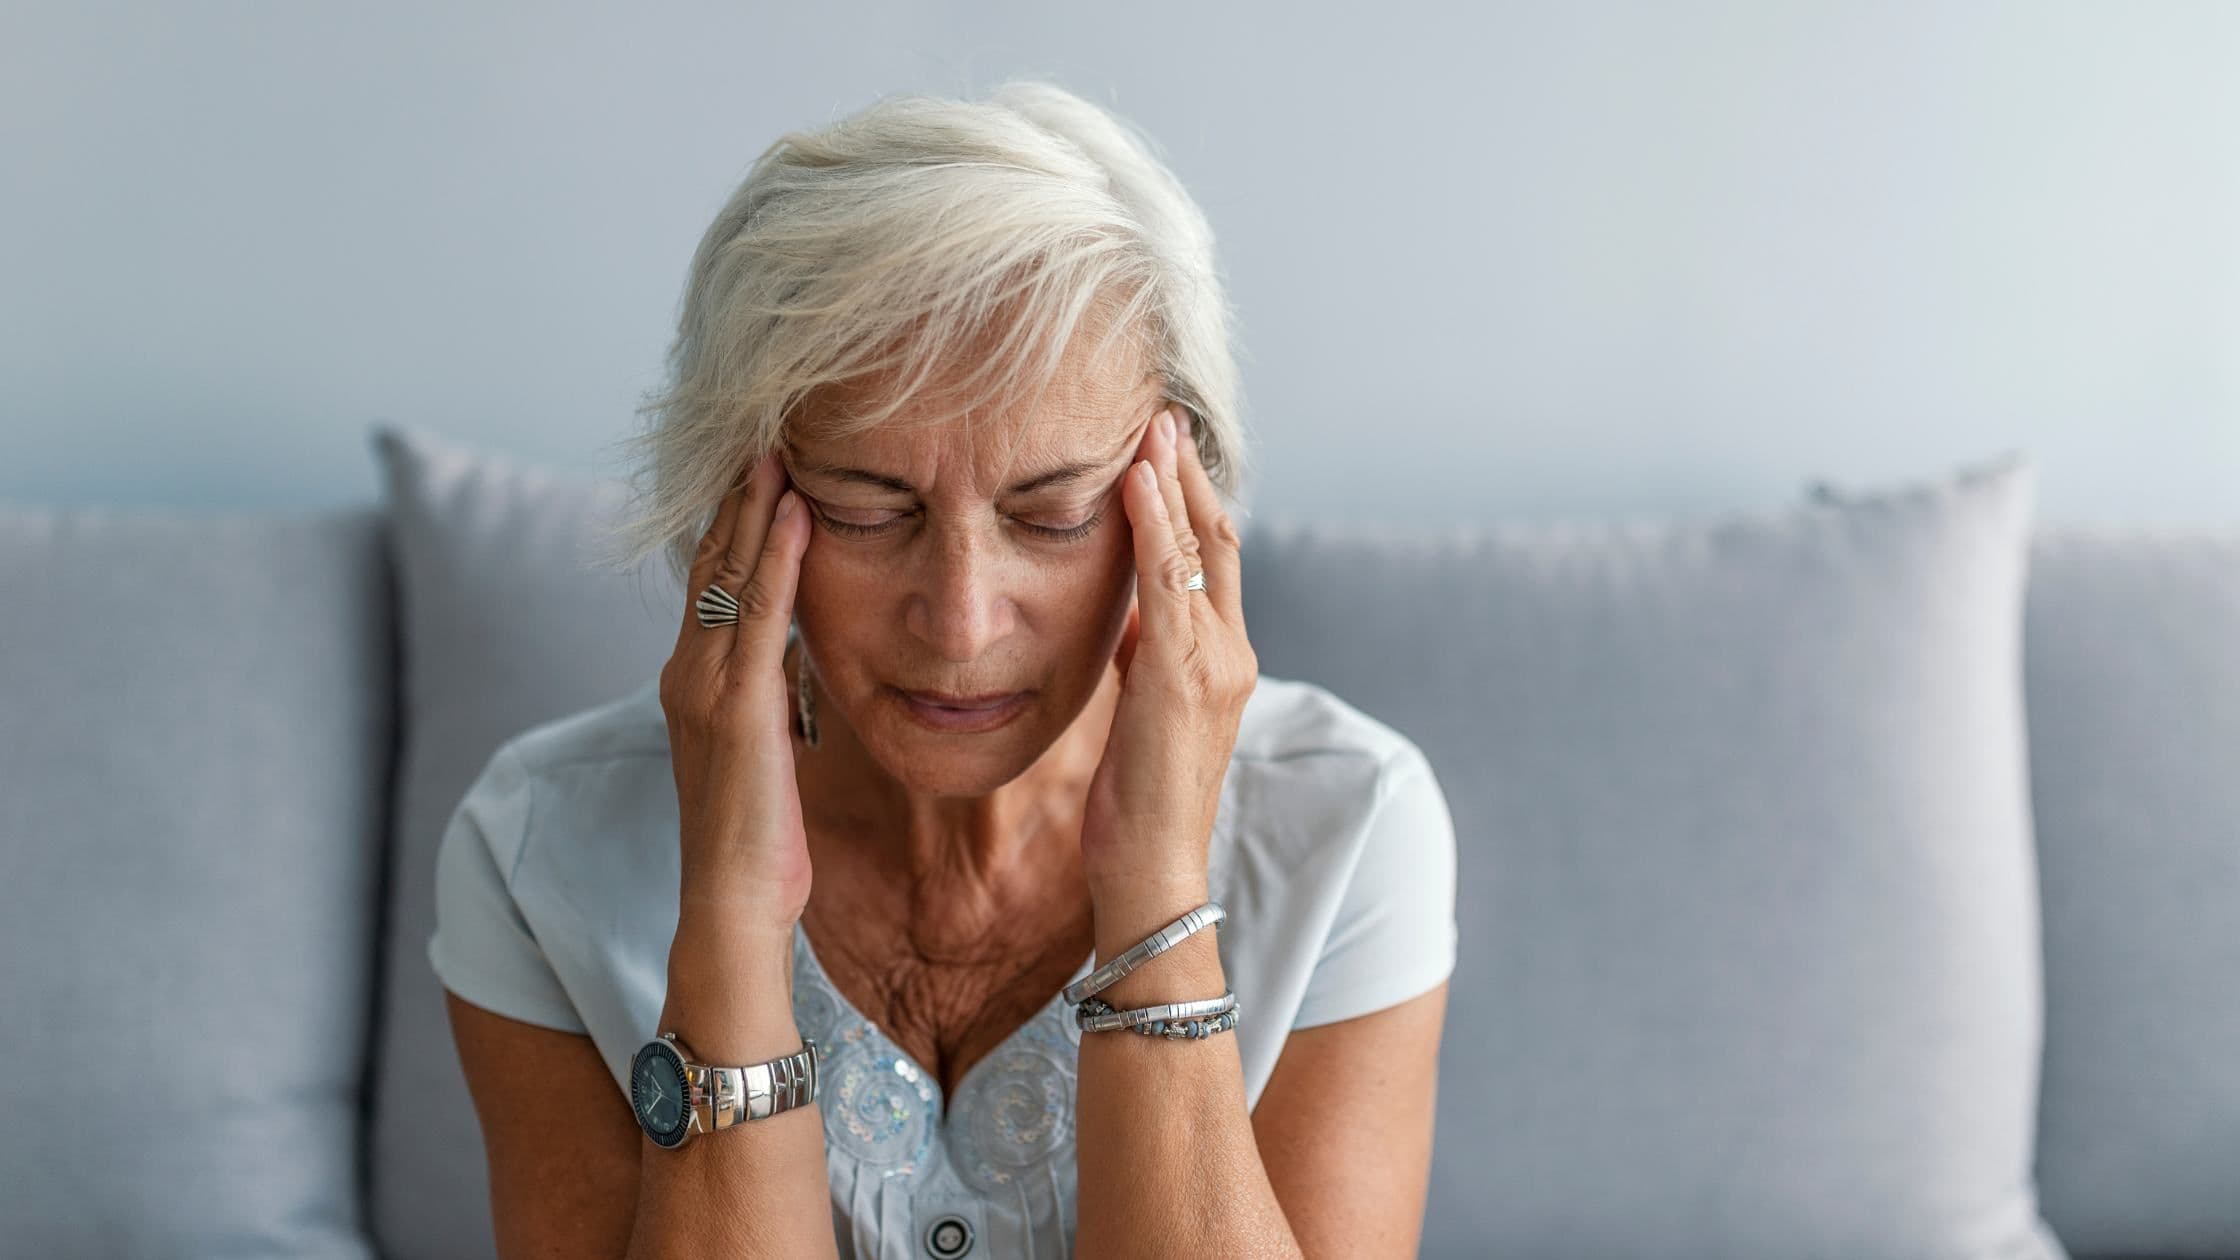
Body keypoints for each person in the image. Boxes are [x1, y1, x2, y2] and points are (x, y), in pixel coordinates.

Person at [429, 78, 1457, 1260]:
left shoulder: (1347, 824)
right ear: (734, 505)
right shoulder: (534, 852)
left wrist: (1158, 891)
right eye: (868, 512)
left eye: (1055, 512)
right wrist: (727, 917)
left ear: (1173, 511)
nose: (960, 623)